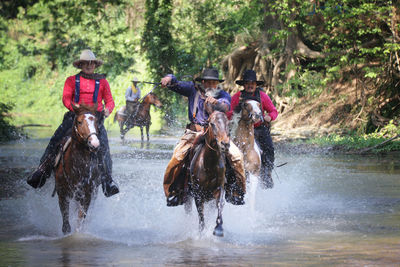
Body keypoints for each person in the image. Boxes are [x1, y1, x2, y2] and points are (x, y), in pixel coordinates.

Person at [26, 49, 119, 197]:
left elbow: (109, 100)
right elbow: (66, 98)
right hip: (75, 117)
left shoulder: (103, 82)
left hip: (95, 119)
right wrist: (74, 109)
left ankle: (107, 180)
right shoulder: (71, 80)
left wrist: (108, 110)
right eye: (86, 63)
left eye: (91, 63)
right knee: (56, 139)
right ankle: (42, 170)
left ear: (95, 65)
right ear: (81, 65)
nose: (89, 66)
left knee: (104, 147)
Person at [161, 68, 247, 206]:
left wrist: (216, 103)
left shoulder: (223, 94)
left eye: (214, 83)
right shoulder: (192, 90)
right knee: (177, 157)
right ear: (203, 82)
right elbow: (176, 84)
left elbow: (225, 107)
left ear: (217, 84)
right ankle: (172, 192)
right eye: (208, 82)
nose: (211, 85)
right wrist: (169, 78)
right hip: (194, 132)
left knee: (237, 156)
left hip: (218, 134)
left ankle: (237, 192)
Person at [228, 69, 278, 188]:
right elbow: (228, 112)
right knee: (227, 148)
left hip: (259, 128)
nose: (250, 85)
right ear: (244, 85)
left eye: (252, 83)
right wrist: (236, 114)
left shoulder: (262, 96)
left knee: (269, 148)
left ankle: (267, 172)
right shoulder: (237, 97)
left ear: (256, 85)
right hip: (241, 129)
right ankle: (228, 175)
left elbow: (273, 111)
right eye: (247, 83)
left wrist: (269, 117)